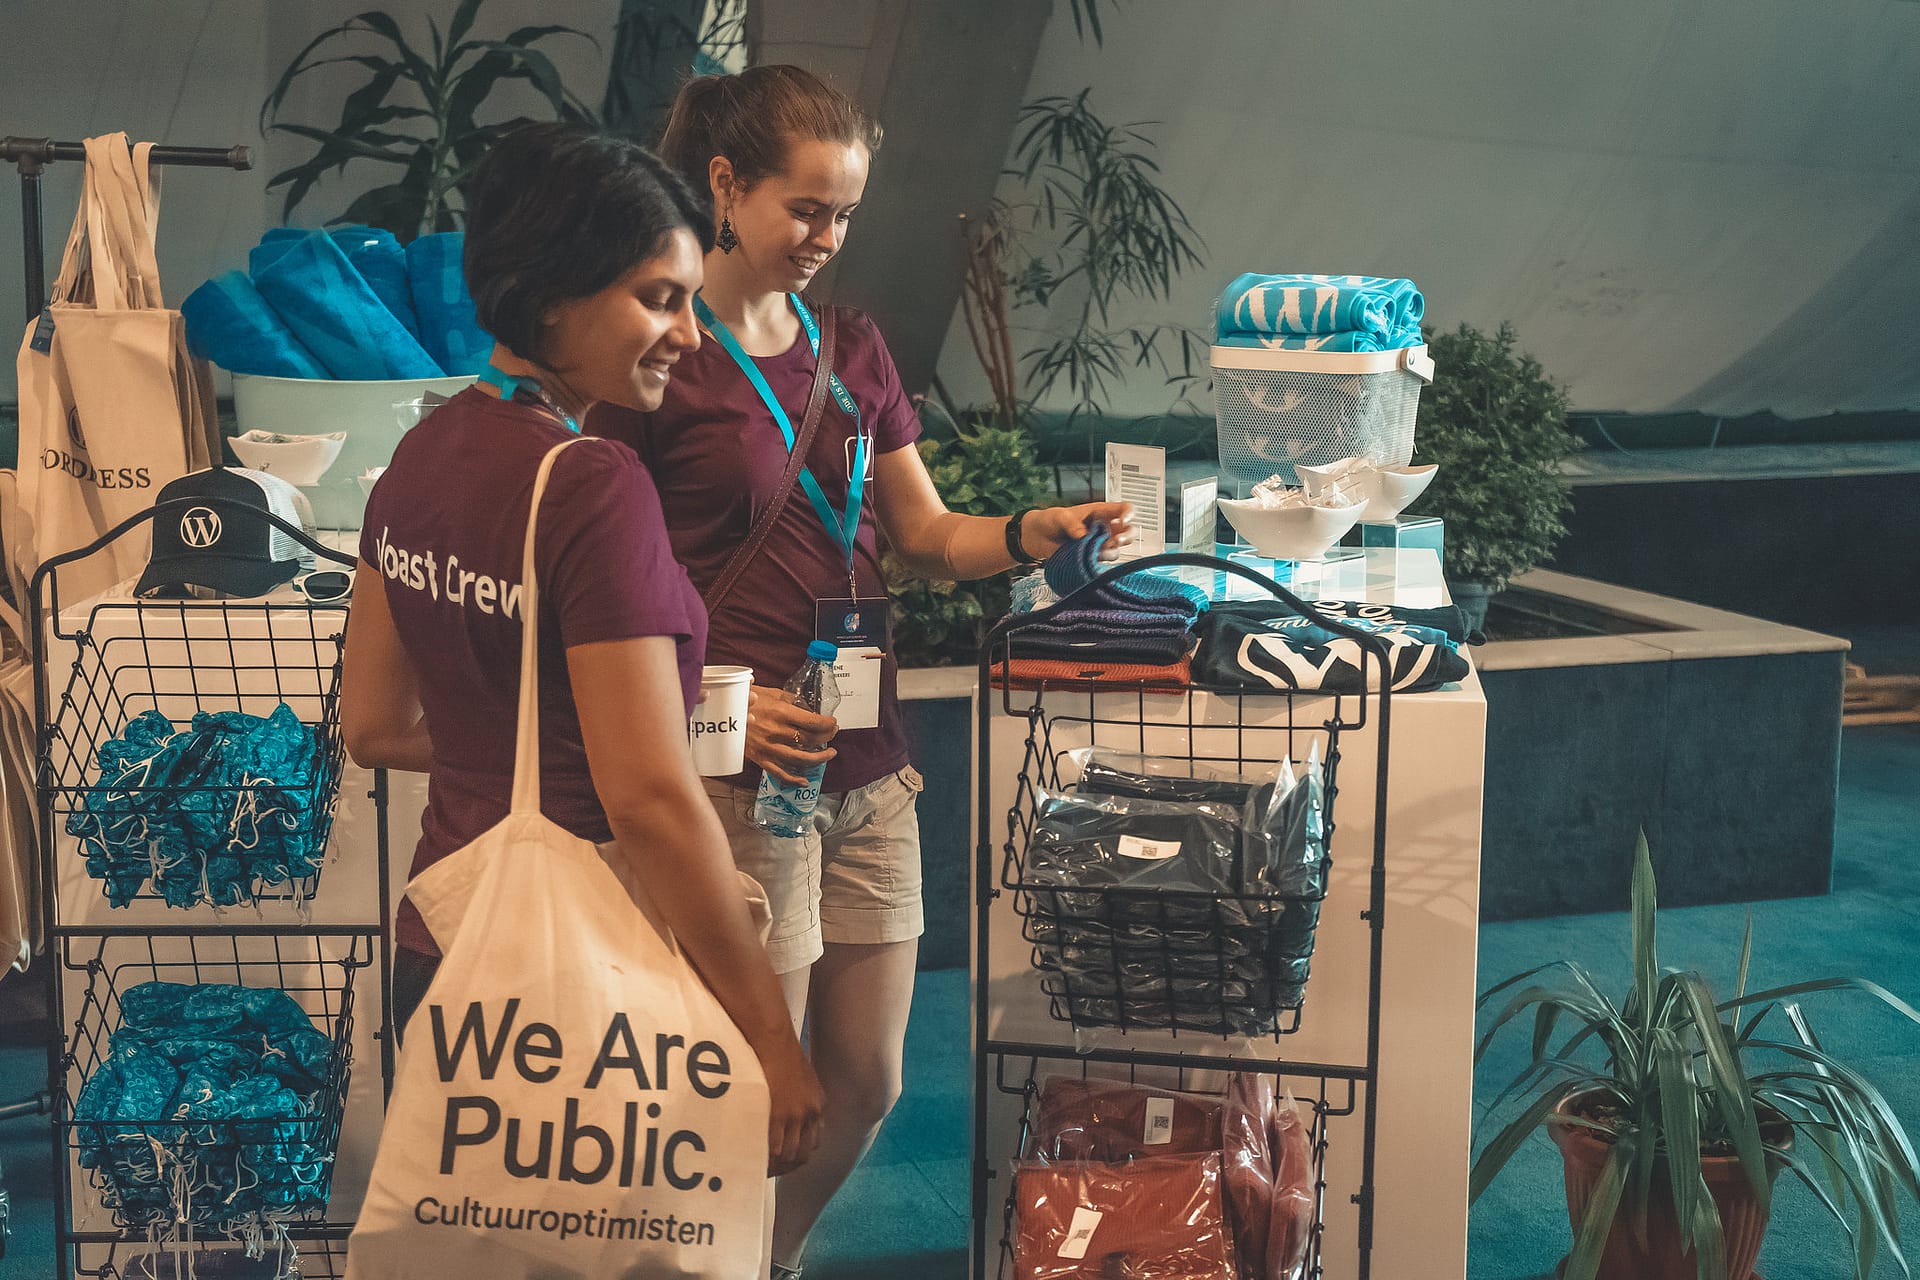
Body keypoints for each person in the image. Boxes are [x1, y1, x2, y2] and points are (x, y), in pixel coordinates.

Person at [591, 65, 1132, 1277]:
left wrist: (1024, 535)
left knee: (868, 1080)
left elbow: (929, 534)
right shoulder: (661, 358)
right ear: (725, 186)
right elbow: (609, 591)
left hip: (869, 764)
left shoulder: (857, 346)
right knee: (744, 1086)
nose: (828, 239)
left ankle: (755, 1260)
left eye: (845, 215)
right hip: (733, 772)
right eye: (806, 209)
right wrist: (711, 706)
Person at [339, 123, 824, 1183]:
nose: (690, 336)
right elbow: (647, 795)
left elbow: (372, 727)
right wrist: (776, 1039)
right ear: (550, 292)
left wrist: (518, 748)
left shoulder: (420, 455)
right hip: (580, 974)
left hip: (447, 942)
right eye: (660, 297)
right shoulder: (591, 484)